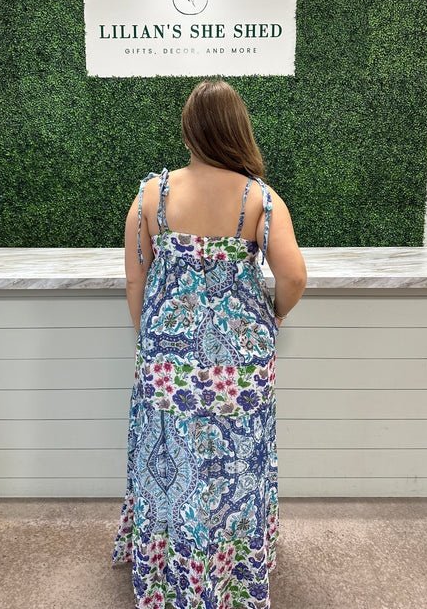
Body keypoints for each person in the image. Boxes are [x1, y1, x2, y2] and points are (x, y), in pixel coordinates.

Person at [112, 80, 307, 609]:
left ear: (188, 131)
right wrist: (276, 314)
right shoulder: (259, 199)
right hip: (240, 358)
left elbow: (135, 279)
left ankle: (168, 567)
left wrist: (150, 336)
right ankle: (232, 567)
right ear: (238, 130)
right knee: (237, 459)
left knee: (167, 454)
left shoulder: (151, 196)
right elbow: (293, 276)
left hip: (167, 353)